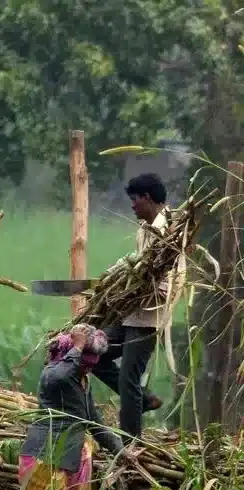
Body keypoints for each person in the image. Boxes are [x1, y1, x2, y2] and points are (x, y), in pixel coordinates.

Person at [90, 173, 172, 443]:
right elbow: (137, 263)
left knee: (128, 379)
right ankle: (145, 399)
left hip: (148, 318)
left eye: (135, 200)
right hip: (129, 314)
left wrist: (136, 288)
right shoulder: (144, 228)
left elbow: (170, 281)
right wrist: (117, 278)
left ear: (147, 198)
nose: (132, 206)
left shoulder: (169, 230)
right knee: (92, 353)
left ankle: (130, 443)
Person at [20, 325, 124, 490]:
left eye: (90, 366)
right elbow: (60, 376)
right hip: (45, 457)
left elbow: (93, 422)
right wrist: (77, 348)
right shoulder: (52, 373)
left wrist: (121, 450)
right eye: (84, 364)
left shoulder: (82, 381)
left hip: (69, 457)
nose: (87, 370)